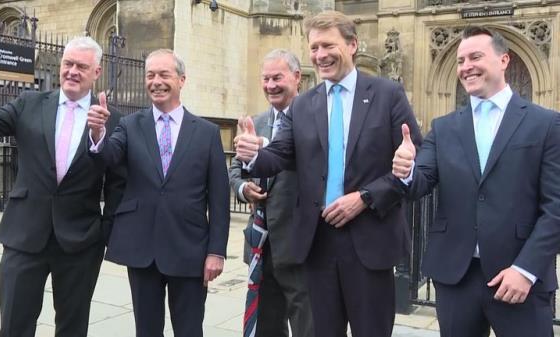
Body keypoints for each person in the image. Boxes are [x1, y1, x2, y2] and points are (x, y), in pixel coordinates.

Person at [234, 10, 422, 337]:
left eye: (327, 45)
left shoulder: (386, 95)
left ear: (352, 45)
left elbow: (414, 162)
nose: (320, 55)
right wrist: (251, 155)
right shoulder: (304, 105)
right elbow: (279, 155)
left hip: (370, 240)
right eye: (314, 48)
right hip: (317, 243)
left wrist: (365, 198)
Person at [392, 26, 560, 337]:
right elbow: (420, 183)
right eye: (460, 60)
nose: (465, 66)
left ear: (504, 60)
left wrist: (526, 270)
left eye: (475, 57)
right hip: (456, 276)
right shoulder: (443, 128)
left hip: (519, 277)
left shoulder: (546, 124)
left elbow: (556, 207)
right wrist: (406, 169)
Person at [0, 36, 124, 337]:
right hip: (24, 235)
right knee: (13, 325)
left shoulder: (113, 121)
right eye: (68, 64)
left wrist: (105, 232)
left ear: (97, 72)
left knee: (72, 328)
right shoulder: (30, 104)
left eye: (81, 66)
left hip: (80, 241)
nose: (72, 71)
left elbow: (118, 183)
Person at [87, 49, 230, 337]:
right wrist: (98, 134)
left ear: (181, 80)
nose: (156, 81)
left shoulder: (206, 133)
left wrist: (216, 251)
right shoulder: (129, 125)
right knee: (147, 330)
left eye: (164, 74)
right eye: (150, 75)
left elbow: (219, 198)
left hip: (189, 249)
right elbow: (109, 156)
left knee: (189, 329)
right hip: (142, 248)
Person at [229, 49, 314, 337]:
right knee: (266, 325)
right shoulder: (255, 121)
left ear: (297, 77)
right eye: (265, 79)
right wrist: (243, 188)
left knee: (307, 326)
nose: (270, 85)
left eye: (277, 77)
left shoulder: (315, 120)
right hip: (261, 247)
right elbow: (235, 168)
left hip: (301, 246)